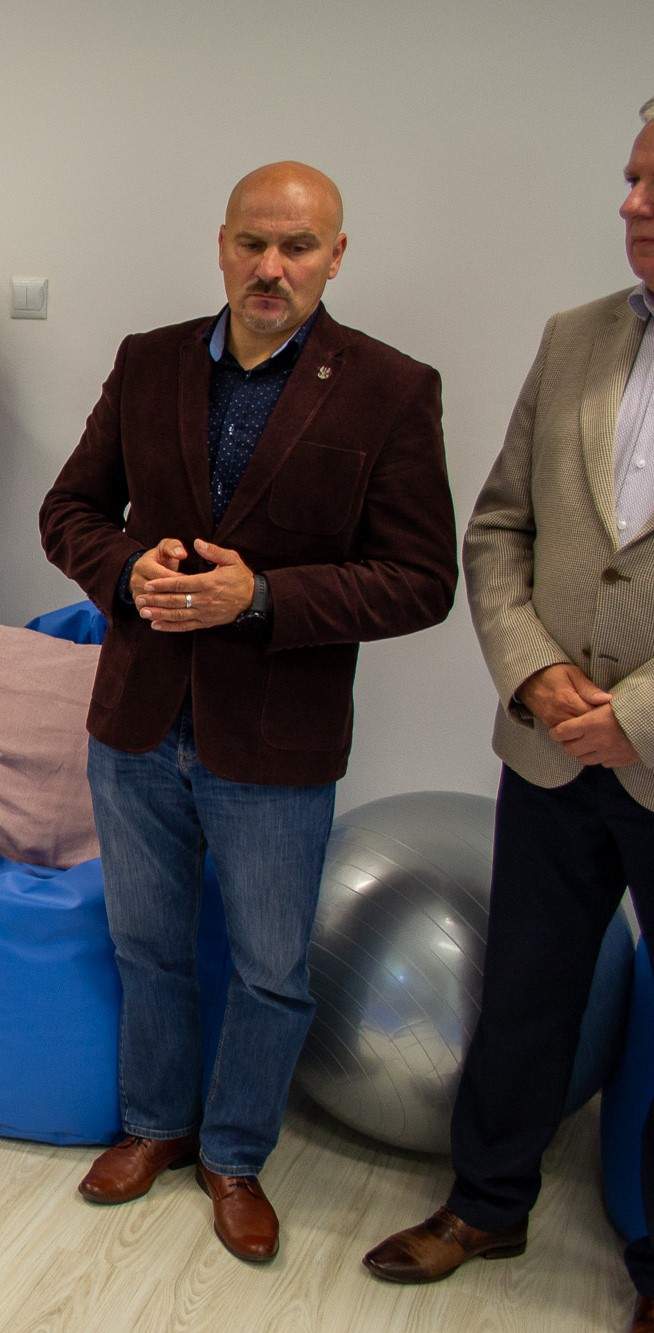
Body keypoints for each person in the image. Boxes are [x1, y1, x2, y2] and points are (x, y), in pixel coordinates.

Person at [38, 162, 457, 1263]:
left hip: (276, 739)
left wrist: (260, 596)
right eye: (251, 243)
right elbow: (69, 507)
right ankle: (155, 1126)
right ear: (221, 245)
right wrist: (123, 569)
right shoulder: (149, 360)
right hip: (137, 719)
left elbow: (421, 580)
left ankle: (232, 1154)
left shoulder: (390, 388)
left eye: (297, 246)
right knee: (146, 945)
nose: (271, 268)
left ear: (335, 255)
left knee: (271, 971)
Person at [363, 104, 654, 1333]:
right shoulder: (575, 336)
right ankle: (485, 1203)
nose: (631, 202)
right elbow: (496, 527)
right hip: (543, 749)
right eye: (629, 177)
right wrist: (529, 670)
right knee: (525, 989)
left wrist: (636, 715)